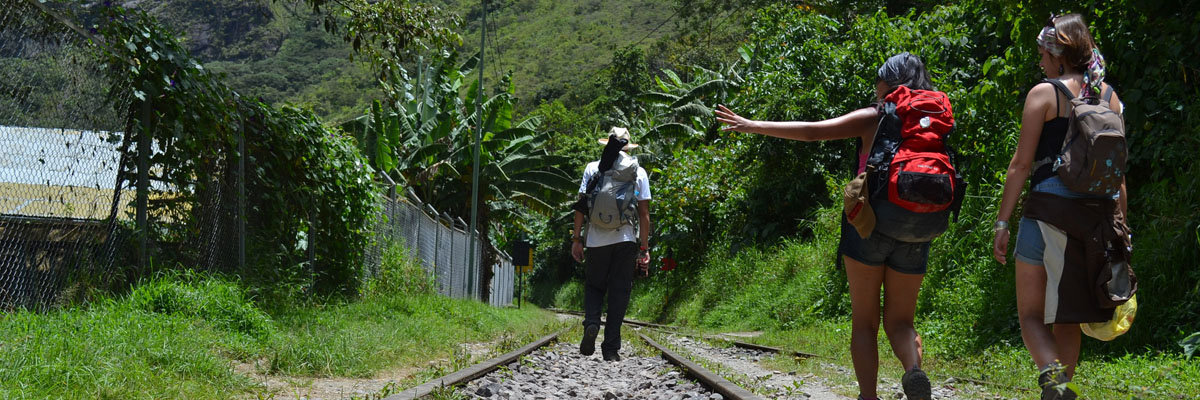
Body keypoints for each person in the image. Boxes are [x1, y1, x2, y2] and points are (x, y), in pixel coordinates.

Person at [715, 52, 943, 400]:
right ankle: (913, 371)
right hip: (917, 227)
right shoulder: (934, 119)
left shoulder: (875, 116)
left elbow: (813, 132)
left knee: (864, 322)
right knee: (901, 322)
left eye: (879, 80)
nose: (876, 87)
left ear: (889, 83)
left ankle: (868, 397)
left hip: (868, 228)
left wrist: (752, 124)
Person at [992, 13, 1126, 400]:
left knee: (1031, 315)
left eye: (1042, 54)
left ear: (1058, 55)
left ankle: (1055, 382)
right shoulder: (1110, 97)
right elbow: (1118, 175)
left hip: (1047, 212)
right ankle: (1060, 389)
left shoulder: (1044, 94)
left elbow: (1020, 164)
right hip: (1094, 218)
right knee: (1068, 315)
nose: (1040, 63)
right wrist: (1121, 230)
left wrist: (1003, 223)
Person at [571, 126, 652, 362]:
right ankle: (611, 349)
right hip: (625, 239)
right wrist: (644, 248)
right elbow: (644, 214)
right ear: (628, 146)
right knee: (619, 292)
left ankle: (593, 322)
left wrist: (577, 239)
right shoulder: (638, 171)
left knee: (594, 286)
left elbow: (581, 207)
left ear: (606, 143)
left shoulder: (592, 168)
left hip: (596, 240)